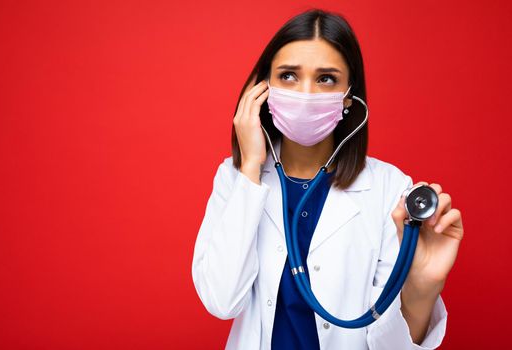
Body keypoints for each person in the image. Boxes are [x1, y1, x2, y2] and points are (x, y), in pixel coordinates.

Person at [191, 8, 464, 350]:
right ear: (262, 89)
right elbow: (221, 300)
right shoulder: (235, 179)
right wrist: (250, 169)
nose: (305, 94)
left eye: (326, 79)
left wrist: (422, 290)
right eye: (288, 76)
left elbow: (390, 347)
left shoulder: (389, 189)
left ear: (349, 95)